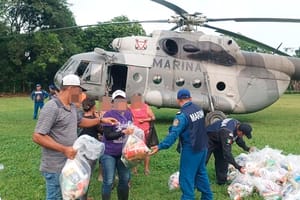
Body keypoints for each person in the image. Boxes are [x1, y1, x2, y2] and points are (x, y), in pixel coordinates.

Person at [32, 74, 118, 200]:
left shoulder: (71, 106)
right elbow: (38, 136)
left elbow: (80, 121)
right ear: (71, 88)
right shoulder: (52, 107)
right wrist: (64, 149)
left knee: (72, 196)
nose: (81, 94)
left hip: (70, 165)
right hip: (55, 167)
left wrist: (101, 120)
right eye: (80, 90)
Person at [151, 89, 213, 200]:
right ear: (190, 98)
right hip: (203, 146)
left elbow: (173, 134)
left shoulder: (182, 115)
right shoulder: (198, 109)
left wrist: (160, 146)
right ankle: (208, 197)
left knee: (186, 179)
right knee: (201, 174)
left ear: (178, 100)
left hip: (191, 149)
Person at [100, 89, 134, 200]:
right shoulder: (109, 114)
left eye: (122, 100)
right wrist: (123, 132)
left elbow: (132, 130)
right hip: (109, 152)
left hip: (124, 153)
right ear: (113, 102)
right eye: (117, 100)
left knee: (124, 180)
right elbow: (108, 135)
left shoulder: (129, 114)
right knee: (109, 181)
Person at [205, 118, 254, 185]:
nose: (243, 136)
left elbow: (238, 139)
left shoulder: (238, 125)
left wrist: (247, 148)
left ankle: (221, 181)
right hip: (208, 138)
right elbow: (227, 153)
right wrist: (238, 167)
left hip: (219, 139)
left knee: (222, 160)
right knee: (203, 160)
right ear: (240, 131)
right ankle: (193, 181)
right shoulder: (227, 133)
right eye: (243, 135)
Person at [78, 97, 103, 200]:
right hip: (91, 151)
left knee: (79, 173)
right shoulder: (94, 120)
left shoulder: (79, 118)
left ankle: (80, 195)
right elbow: (102, 131)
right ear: (93, 107)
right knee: (87, 175)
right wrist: (99, 118)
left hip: (79, 149)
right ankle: (83, 197)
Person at [129, 93, 155, 176]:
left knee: (146, 150)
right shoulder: (130, 108)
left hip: (145, 131)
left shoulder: (145, 107)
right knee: (134, 150)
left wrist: (144, 120)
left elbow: (153, 117)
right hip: (134, 132)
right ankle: (134, 169)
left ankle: (146, 169)